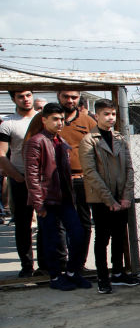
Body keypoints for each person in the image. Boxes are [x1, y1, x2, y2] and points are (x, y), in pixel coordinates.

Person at [22, 103, 90, 291]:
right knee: (52, 240)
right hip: (47, 199)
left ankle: (72, 272)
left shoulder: (59, 140)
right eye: (55, 119)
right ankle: (55, 276)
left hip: (65, 198)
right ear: (44, 120)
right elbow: (31, 175)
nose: (59, 123)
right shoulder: (36, 141)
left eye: (61, 119)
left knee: (78, 234)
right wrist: (38, 203)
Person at [78, 99, 137, 294]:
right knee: (102, 238)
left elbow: (129, 168)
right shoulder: (89, 140)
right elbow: (90, 172)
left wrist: (126, 196)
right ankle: (103, 277)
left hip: (121, 198)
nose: (110, 118)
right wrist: (109, 199)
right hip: (101, 199)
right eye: (106, 114)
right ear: (96, 116)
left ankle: (118, 273)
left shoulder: (119, 138)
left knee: (120, 236)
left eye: (113, 114)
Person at [0, 90, 41, 277]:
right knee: (23, 225)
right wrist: (16, 177)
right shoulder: (8, 123)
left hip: (43, 178)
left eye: (28, 95)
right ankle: (26, 266)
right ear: (13, 99)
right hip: (21, 178)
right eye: (20, 96)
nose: (25, 99)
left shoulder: (44, 119)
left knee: (47, 224)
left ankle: (47, 266)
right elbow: (1, 154)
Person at [56, 90, 98, 265]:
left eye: (74, 97)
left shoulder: (88, 121)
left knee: (83, 223)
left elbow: (99, 147)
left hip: (83, 179)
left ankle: (79, 263)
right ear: (58, 96)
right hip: (56, 180)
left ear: (79, 97)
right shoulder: (47, 118)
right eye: (66, 96)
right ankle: (59, 264)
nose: (70, 100)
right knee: (58, 224)